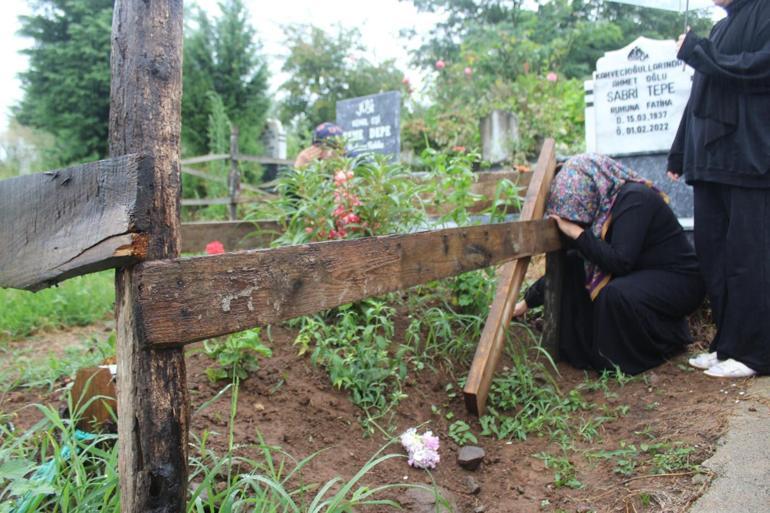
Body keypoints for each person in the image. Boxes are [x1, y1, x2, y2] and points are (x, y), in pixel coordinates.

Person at [514, 154, 705, 375]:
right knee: (579, 270)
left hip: (681, 280)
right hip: (643, 277)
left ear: (592, 189)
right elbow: (573, 262)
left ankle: (660, 345)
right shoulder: (602, 210)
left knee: (614, 295)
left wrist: (577, 234)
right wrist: (526, 302)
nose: (581, 221)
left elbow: (621, 262)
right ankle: (587, 352)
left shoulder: (635, 199)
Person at [667, 0, 770, 378]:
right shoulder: (721, 28)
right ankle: (727, 345)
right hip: (711, 161)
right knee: (715, 258)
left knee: (750, 258)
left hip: (750, 157)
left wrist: (700, 52)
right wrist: (680, 152)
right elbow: (700, 95)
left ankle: (757, 353)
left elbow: (760, 69)